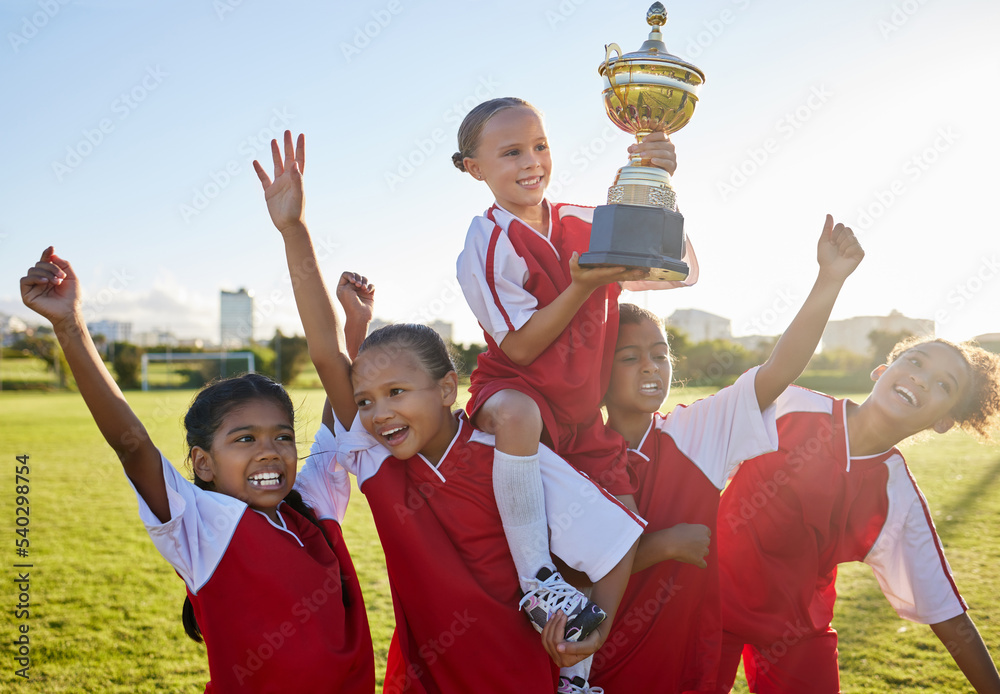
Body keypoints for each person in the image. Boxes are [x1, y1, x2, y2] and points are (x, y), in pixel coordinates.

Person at [254, 130, 645, 693]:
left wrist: (592, 637)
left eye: (397, 393)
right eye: (365, 401)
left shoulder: (511, 456)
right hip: (427, 680)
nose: (378, 413)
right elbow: (324, 350)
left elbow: (612, 544)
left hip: (524, 679)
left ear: (446, 389)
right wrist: (293, 230)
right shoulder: (374, 455)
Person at [19, 248, 376, 693]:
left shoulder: (314, 506)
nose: (269, 452)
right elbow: (133, 448)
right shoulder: (201, 526)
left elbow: (342, 408)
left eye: (282, 437)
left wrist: (355, 328)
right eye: (245, 439)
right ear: (202, 463)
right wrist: (69, 324)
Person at [452, 97, 698, 670]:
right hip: (515, 398)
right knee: (517, 415)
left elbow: (676, 271)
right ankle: (536, 576)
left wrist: (655, 189)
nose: (532, 161)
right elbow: (519, 347)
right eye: (511, 151)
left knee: (623, 534)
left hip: (583, 419)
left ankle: (577, 671)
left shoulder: (585, 220)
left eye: (539, 145)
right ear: (474, 168)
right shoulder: (486, 243)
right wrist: (582, 286)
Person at [589, 215, 864, 693]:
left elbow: (778, 370)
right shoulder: (576, 452)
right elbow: (566, 572)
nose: (651, 367)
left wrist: (829, 280)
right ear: (599, 372)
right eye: (630, 358)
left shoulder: (695, 432)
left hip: (678, 659)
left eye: (660, 354)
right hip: (592, 660)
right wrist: (665, 545)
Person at [716, 334, 1000, 693]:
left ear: (943, 421)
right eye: (916, 361)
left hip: (796, 628)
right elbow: (696, 458)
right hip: (707, 598)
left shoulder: (897, 496)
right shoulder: (788, 404)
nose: (922, 379)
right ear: (881, 371)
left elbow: (945, 610)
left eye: (944, 384)